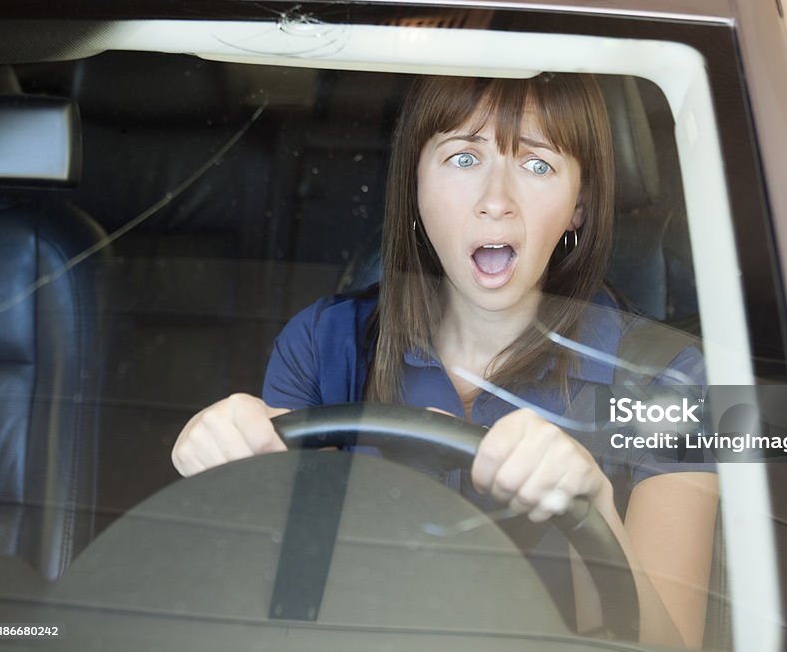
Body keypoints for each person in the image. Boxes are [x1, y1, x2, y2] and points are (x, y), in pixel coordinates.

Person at [172, 73, 719, 648]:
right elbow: (277, 600)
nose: (495, 202)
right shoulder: (322, 343)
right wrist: (225, 454)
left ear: (578, 207)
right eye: (463, 158)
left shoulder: (673, 378)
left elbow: (672, 646)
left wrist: (595, 507)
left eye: (537, 166)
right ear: (413, 184)